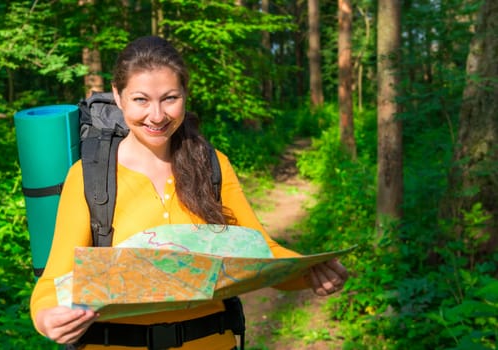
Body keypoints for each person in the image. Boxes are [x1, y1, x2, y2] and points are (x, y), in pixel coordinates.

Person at [30, 36, 348, 350]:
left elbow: (262, 255)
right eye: (141, 100)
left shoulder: (211, 165)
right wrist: (47, 319)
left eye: (170, 98)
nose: (157, 116)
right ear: (118, 95)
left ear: (185, 94)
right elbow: (52, 284)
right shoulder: (90, 176)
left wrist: (310, 272)